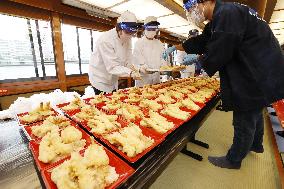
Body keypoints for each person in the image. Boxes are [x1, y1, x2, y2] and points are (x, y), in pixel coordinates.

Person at [163, 0, 284, 169]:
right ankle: (256, 144)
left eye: (191, 7)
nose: (191, 12)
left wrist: (200, 60)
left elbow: (221, 47)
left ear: (205, 2)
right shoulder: (221, 17)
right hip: (260, 71)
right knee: (255, 110)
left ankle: (234, 159)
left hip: (257, 72)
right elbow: (204, 40)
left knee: (244, 116)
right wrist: (177, 47)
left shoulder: (227, 13)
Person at [89, 11, 141, 94]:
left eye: (132, 33)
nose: (130, 36)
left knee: (113, 99)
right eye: (127, 32)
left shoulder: (128, 39)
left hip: (113, 78)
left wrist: (137, 69)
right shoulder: (106, 40)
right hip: (100, 79)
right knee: (104, 103)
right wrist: (131, 73)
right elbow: (112, 67)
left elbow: (128, 61)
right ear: (119, 28)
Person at [132, 16, 167, 87]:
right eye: (150, 28)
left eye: (154, 29)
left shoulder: (159, 44)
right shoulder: (139, 43)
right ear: (144, 29)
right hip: (143, 80)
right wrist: (141, 69)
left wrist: (164, 67)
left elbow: (163, 59)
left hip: (156, 80)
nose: (152, 31)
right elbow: (134, 62)